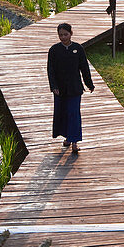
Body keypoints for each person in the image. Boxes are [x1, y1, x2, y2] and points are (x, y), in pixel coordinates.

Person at [47, 22, 94, 154]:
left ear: (71, 34)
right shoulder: (54, 50)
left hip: (74, 88)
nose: (63, 37)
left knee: (74, 113)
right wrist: (54, 86)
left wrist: (89, 84)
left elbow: (84, 68)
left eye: (65, 34)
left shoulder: (78, 49)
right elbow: (50, 70)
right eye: (60, 35)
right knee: (62, 112)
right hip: (59, 89)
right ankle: (67, 137)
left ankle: (74, 142)